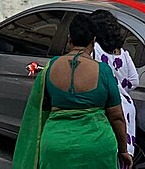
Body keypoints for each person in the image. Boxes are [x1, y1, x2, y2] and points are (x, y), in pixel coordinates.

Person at [12, 15, 131, 169]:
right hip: (96, 146)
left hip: (56, 146)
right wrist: (123, 150)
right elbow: (117, 117)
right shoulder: (103, 71)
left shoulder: (50, 68)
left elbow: (40, 110)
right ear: (93, 41)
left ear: (69, 39)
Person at [89, 11, 140, 161]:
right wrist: (121, 88)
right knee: (125, 153)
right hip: (127, 108)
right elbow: (134, 80)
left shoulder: (94, 51)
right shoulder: (124, 54)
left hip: (105, 108)